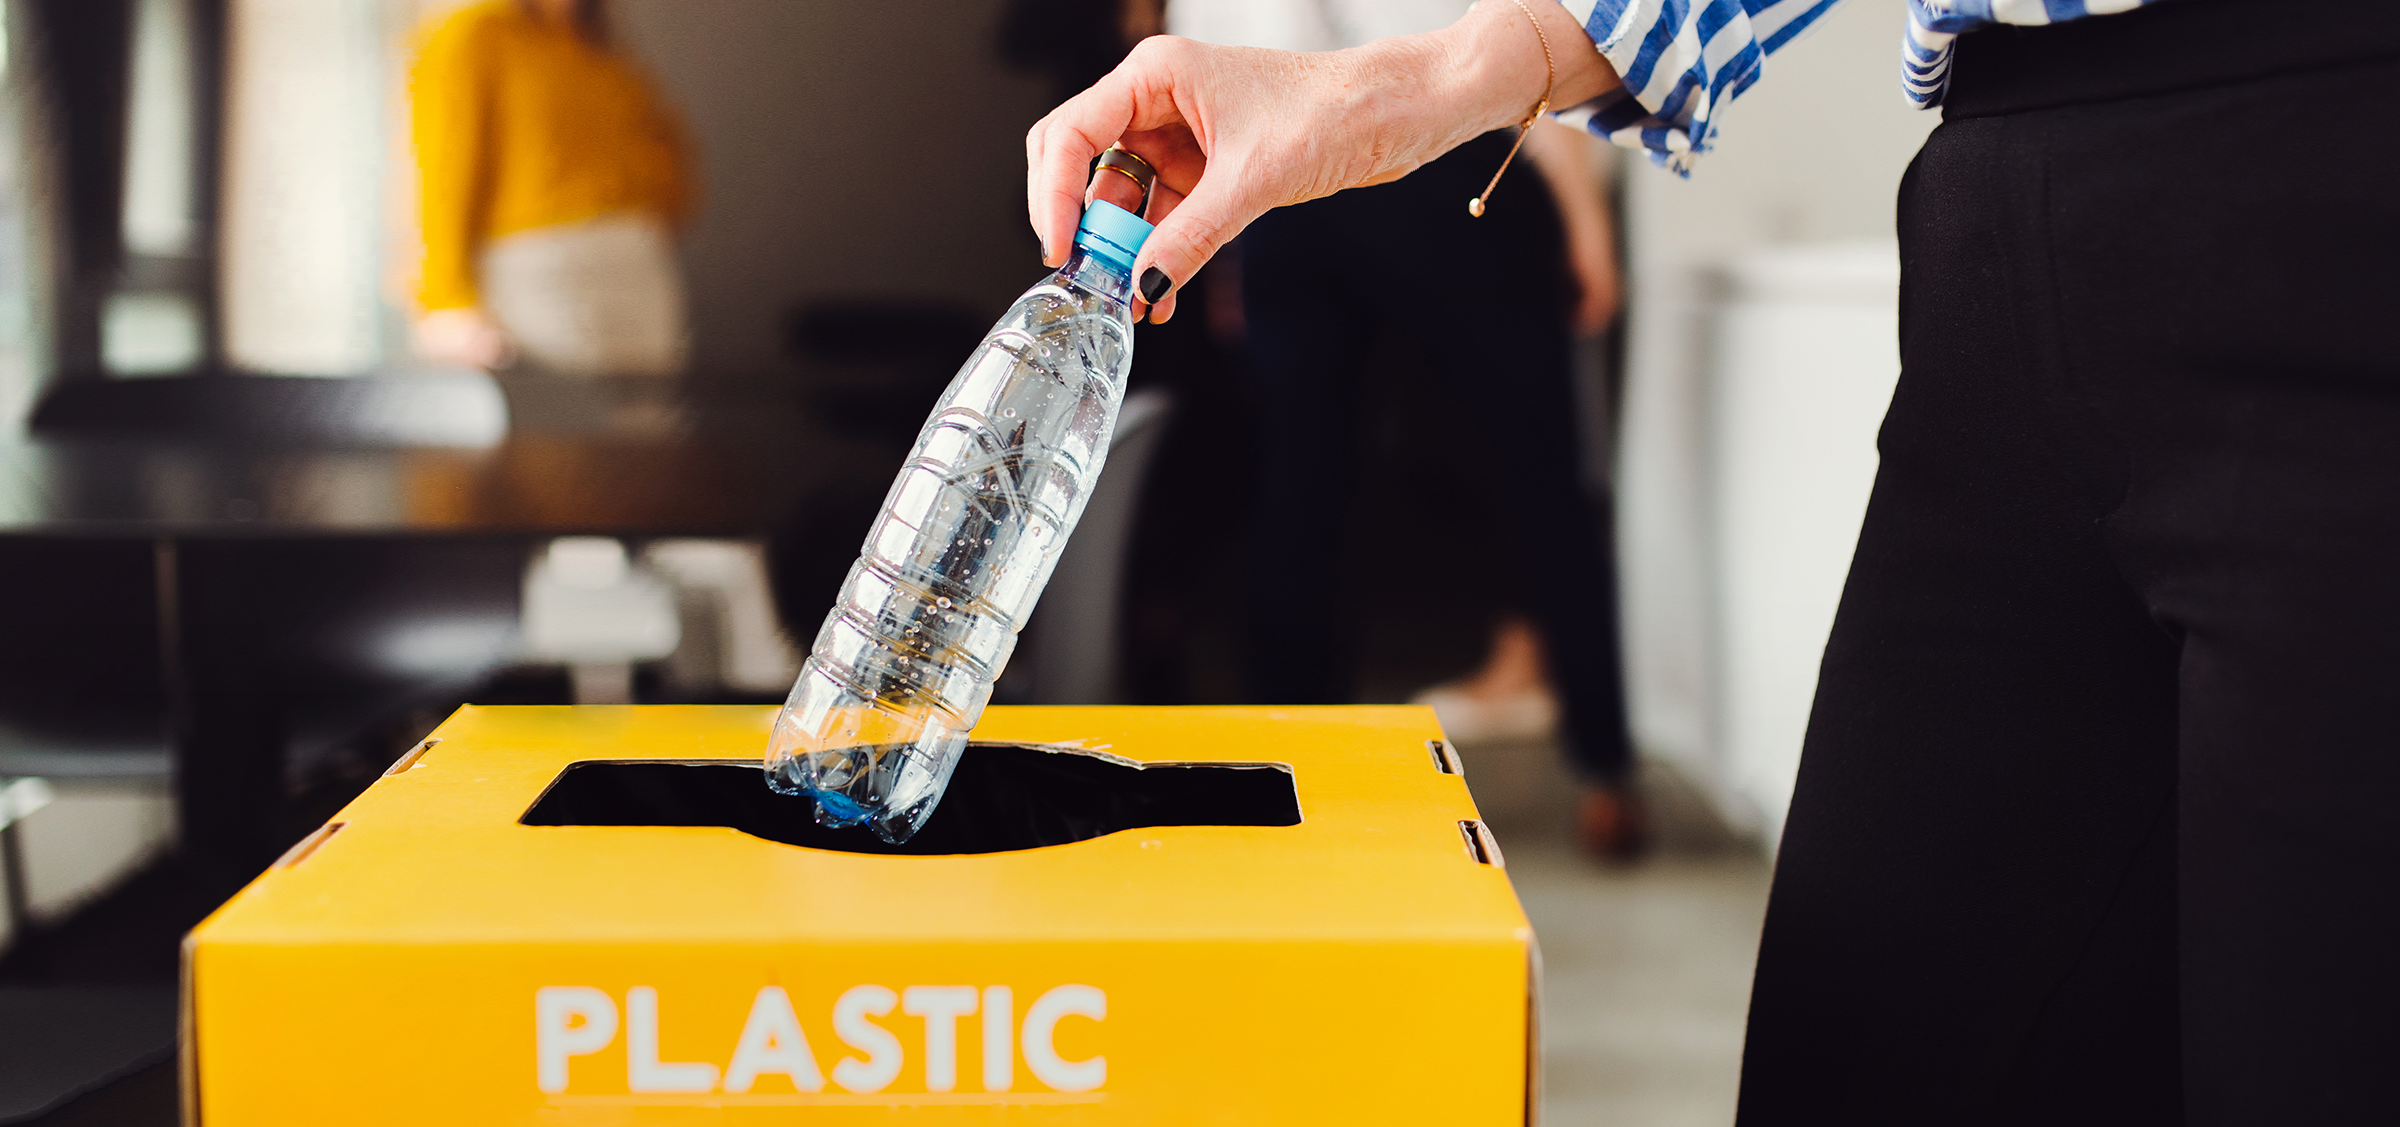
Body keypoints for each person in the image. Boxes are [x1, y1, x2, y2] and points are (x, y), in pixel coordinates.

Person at [1023, 0, 2400, 1118]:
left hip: (2337, 161)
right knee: (1858, 1064)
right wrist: (1412, 82)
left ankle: (1599, 760)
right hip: (1999, 195)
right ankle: (1568, 768)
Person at [1164, 0, 1641, 857]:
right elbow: (1533, 29)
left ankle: (1288, 777)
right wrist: (1582, 212)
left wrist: (1225, 237)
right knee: (1540, 466)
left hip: (1289, 187)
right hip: (1452, 162)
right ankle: (1606, 772)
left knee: (1299, 485)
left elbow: (1214, 46)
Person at [409, 0, 694, 394]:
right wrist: (445, 302)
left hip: (637, 267)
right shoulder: (474, 33)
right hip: (545, 278)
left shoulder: (599, 47)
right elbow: (441, 173)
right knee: (568, 419)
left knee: (650, 419)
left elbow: (661, 147)